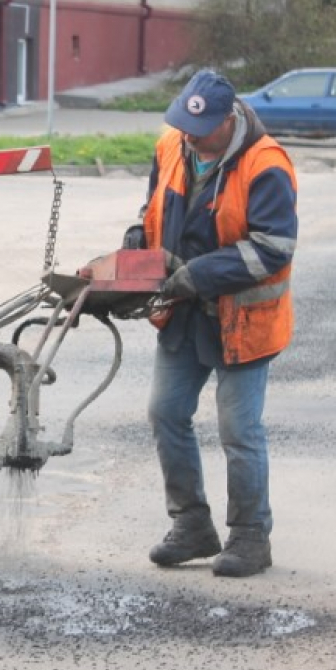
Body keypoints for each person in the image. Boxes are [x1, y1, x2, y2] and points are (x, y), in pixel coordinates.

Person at [123, 69, 298, 578]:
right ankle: (192, 526)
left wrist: (194, 276)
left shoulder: (266, 166)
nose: (189, 136)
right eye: (183, 125)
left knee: (238, 431)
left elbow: (273, 248)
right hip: (184, 317)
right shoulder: (172, 147)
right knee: (165, 413)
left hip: (243, 323)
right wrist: (137, 239)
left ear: (229, 120)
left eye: (199, 130)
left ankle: (249, 537)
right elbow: (150, 207)